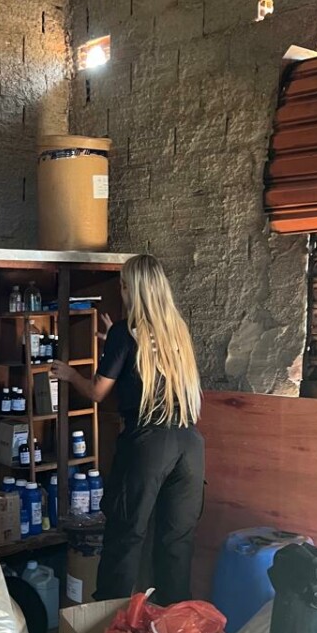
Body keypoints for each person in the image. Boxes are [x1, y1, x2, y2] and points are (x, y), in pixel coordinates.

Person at [51, 254, 204, 604]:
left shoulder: (125, 332)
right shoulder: (177, 331)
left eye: (123, 286)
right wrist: (114, 345)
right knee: (177, 542)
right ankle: (173, 625)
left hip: (149, 442)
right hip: (189, 444)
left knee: (125, 534)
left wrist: (70, 374)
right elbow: (148, 363)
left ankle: (109, 622)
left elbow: (97, 392)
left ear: (129, 288)